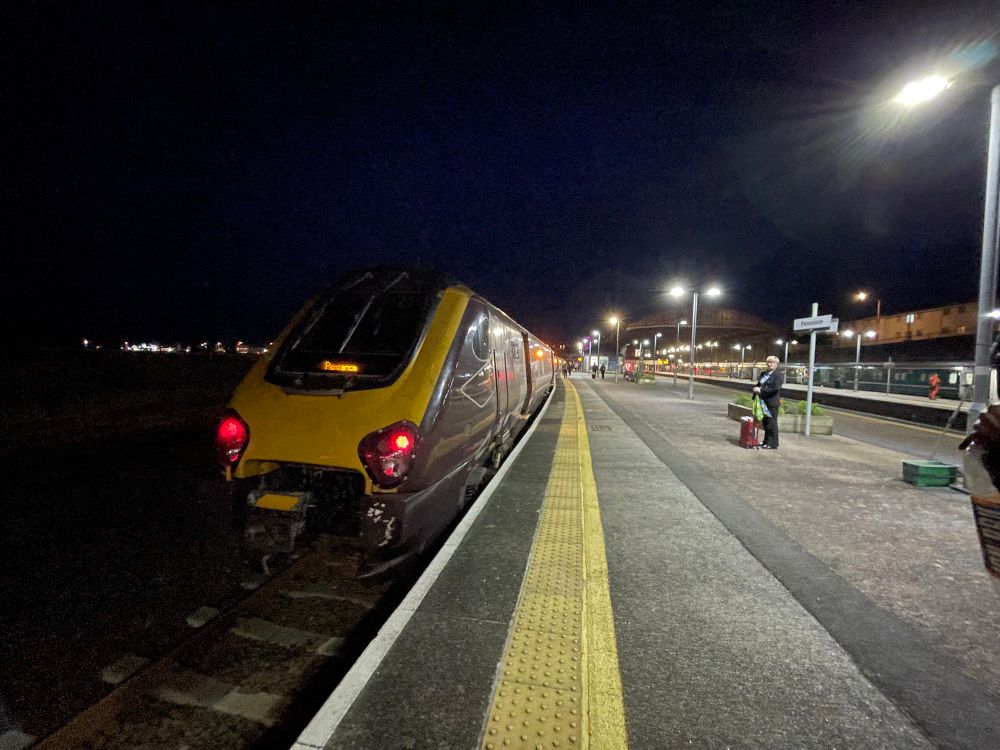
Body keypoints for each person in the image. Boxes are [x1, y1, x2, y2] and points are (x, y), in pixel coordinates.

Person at [753, 355, 784, 449]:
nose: (770, 364)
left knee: (772, 423)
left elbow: (776, 389)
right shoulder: (764, 374)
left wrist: (761, 391)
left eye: (773, 362)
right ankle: (766, 442)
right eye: (769, 362)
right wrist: (755, 389)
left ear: (776, 365)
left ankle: (773, 443)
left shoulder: (778, 375)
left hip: (772, 403)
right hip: (763, 401)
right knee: (766, 423)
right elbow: (759, 384)